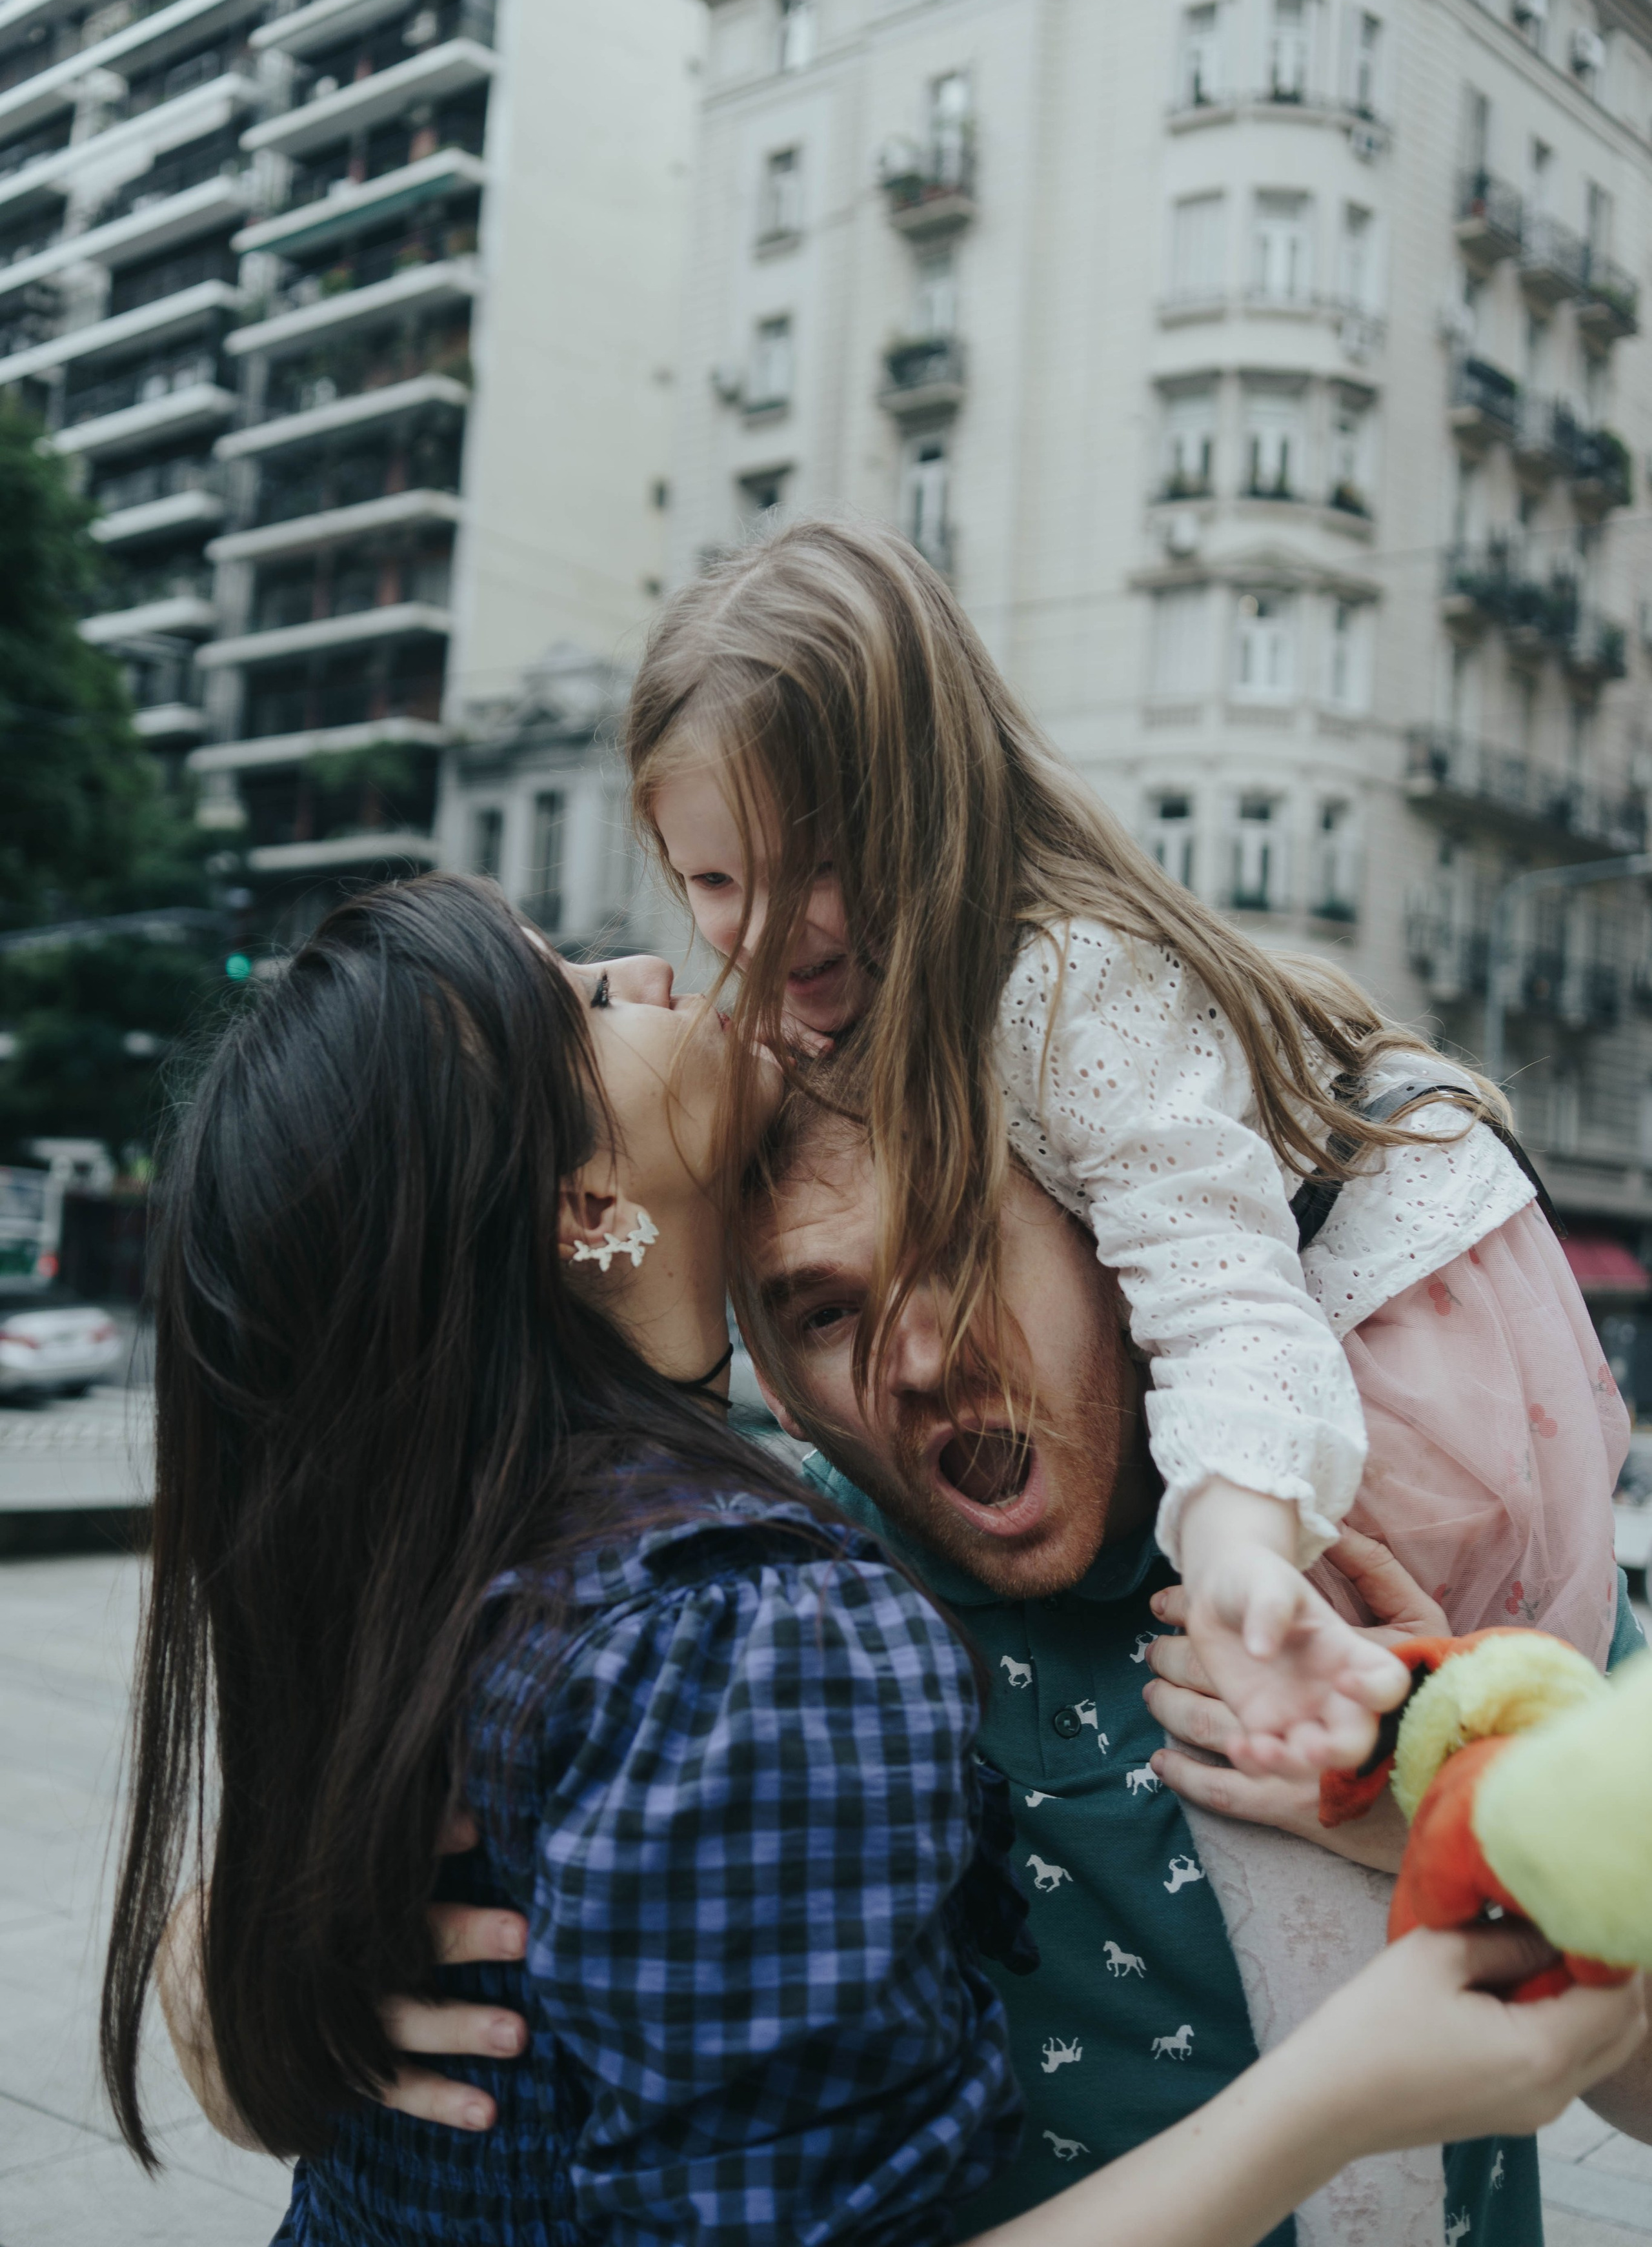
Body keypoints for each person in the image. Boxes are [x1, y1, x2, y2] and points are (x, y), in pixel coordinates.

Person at [120, 876, 1639, 2246]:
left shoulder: (1422, 1536)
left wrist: (1467, 1832)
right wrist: (259, 1968)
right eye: (824, 1310)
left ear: (1112, 1241)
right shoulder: (750, 1601)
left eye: (959, 1247)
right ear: (764, 1367)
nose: (914, 1356)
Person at [623, 518, 1631, 1775]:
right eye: (714, 884)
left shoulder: (1064, 987)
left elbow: (1221, 1300)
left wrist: (1238, 1561)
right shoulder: (851, 984)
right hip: (1317, 1311)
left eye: (816, 865)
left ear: (933, 806)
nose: (769, 929)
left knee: (1336, 1736)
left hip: (1384, 1328)